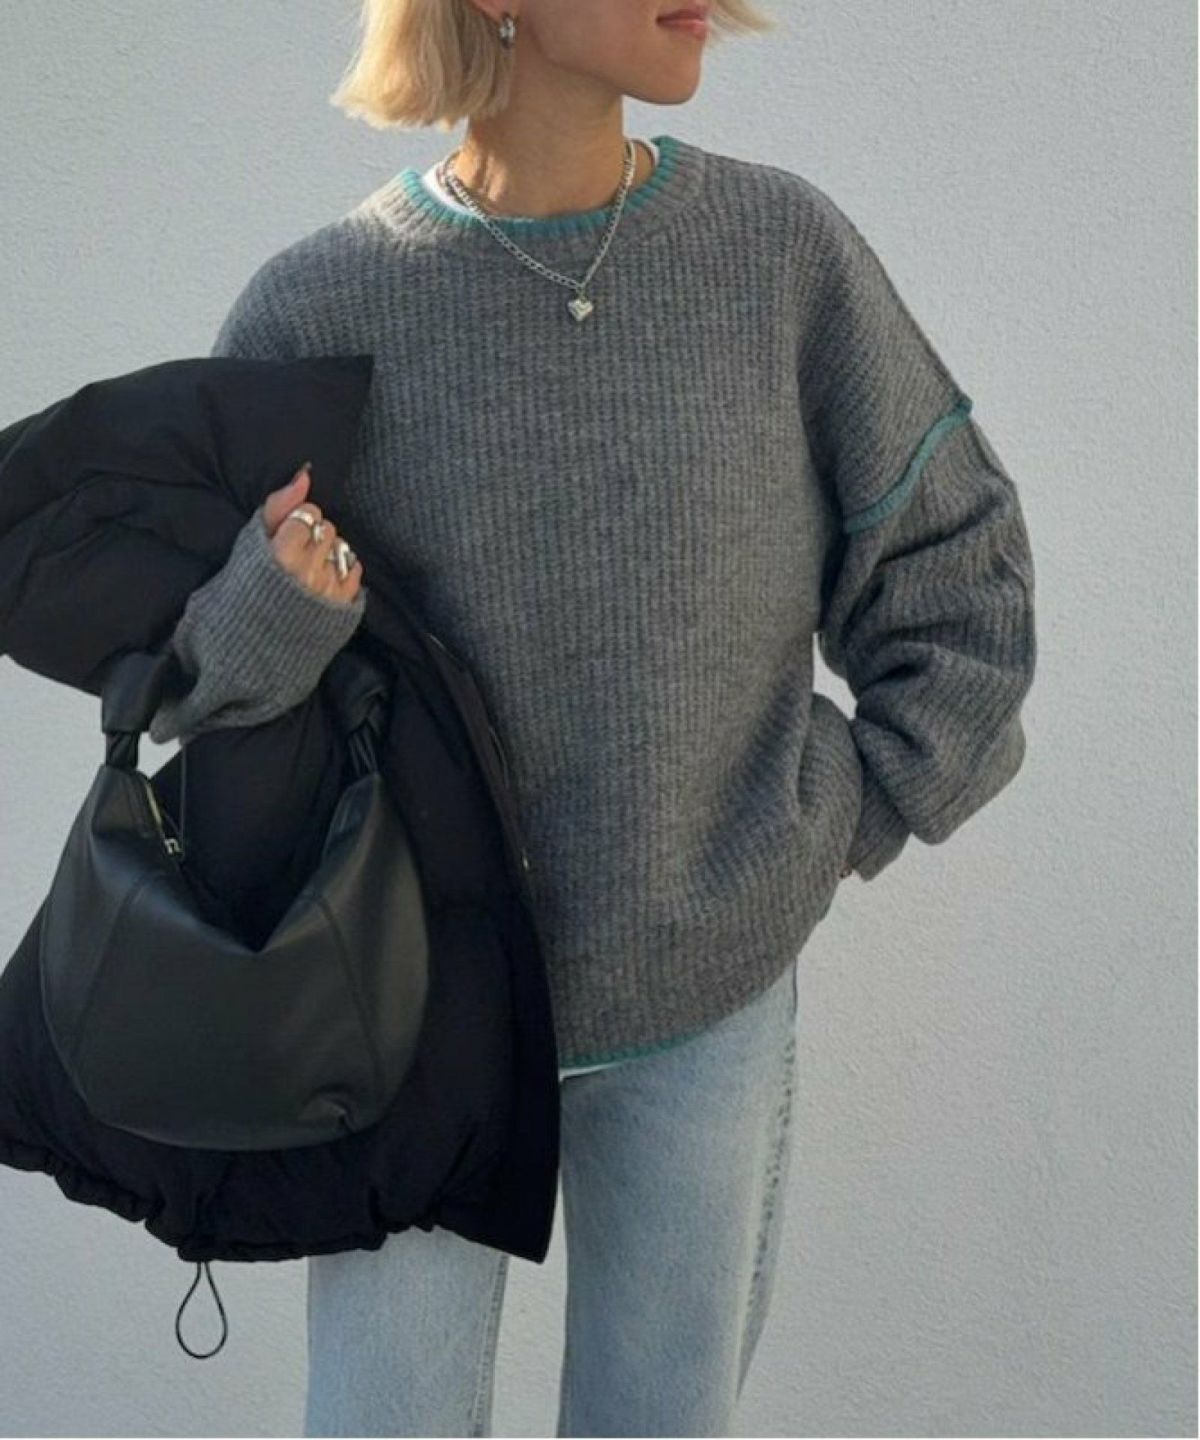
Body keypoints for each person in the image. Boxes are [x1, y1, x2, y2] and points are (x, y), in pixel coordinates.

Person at [149, 0, 1037, 1432]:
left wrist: (830, 825)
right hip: (406, 1019)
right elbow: (202, 703)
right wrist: (278, 608)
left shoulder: (778, 256)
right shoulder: (322, 308)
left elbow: (960, 577)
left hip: (701, 1003)